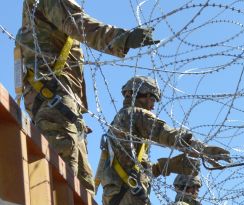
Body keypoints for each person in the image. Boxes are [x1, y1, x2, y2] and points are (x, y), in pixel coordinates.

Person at [16, 0, 157, 192]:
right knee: (65, 182)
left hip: (57, 101)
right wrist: (122, 39)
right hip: (54, 99)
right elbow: (77, 23)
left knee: (81, 189)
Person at [98, 76, 231, 205]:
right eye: (150, 97)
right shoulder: (134, 114)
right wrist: (202, 148)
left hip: (124, 197)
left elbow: (133, 167)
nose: (152, 104)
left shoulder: (121, 122)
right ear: (133, 94)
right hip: (130, 199)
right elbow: (165, 133)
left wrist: (167, 166)